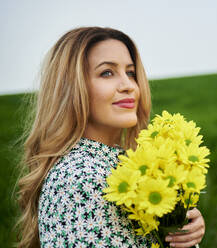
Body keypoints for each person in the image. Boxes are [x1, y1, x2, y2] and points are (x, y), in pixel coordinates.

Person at [16, 27, 205, 248]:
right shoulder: (81, 178)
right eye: (107, 72)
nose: (128, 86)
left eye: (131, 73)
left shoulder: (119, 164)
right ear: (73, 87)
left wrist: (179, 227)